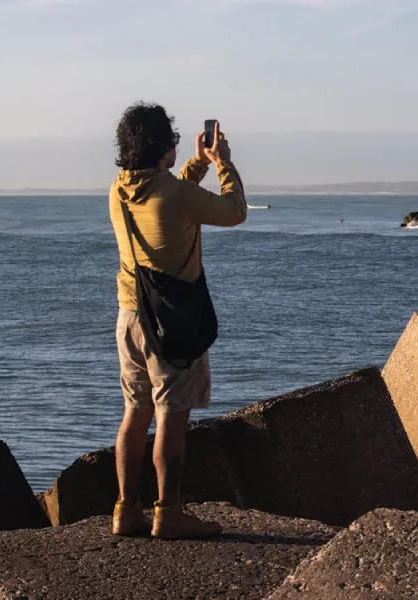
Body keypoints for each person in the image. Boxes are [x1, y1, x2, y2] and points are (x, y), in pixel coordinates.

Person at [108, 102, 246, 538]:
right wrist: (223, 163)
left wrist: (193, 163)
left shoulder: (119, 190)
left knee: (135, 412)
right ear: (160, 144)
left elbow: (170, 189)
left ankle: (125, 509)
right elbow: (235, 211)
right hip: (171, 324)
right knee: (171, 414)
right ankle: (168, 512)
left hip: (129, 317)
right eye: (171, 138)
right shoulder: (176, 197)